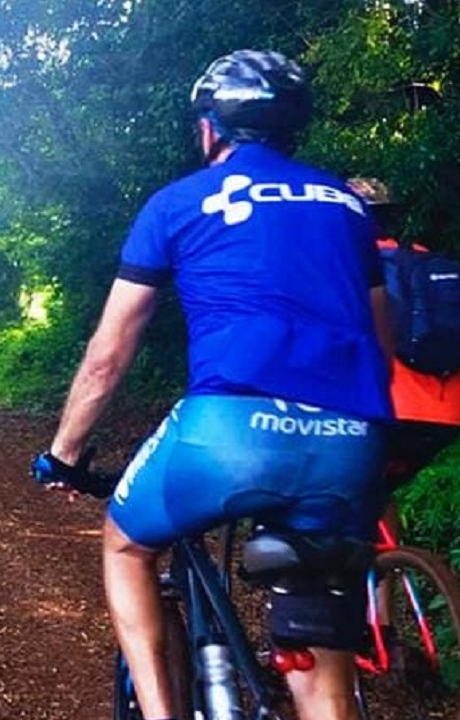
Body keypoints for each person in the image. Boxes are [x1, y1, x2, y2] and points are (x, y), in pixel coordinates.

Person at [32, 50, 392, 720]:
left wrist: (65, 452)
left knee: (126, 544)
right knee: (325, 683)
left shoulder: (177, 203)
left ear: (210, 129)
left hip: (229, 432)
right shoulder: (346, 205)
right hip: (349, 435)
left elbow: (109, 353)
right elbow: (380, 341)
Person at [346, 177, 460, 493]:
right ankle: (381, 543)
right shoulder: (423, 261)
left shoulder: (347, 268)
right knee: (374, 492)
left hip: (384, 413)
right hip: (447, 416)